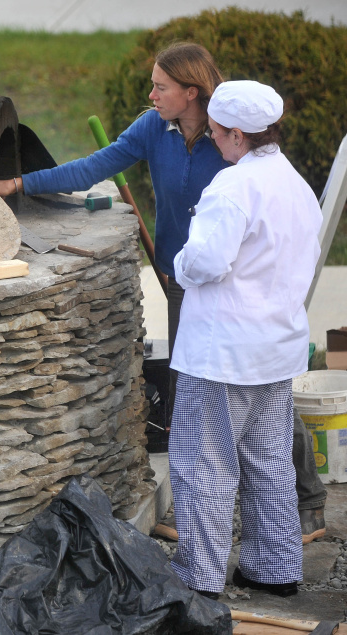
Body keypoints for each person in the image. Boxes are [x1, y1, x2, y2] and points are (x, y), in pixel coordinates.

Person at [0, 42, 327, 543]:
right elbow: (94, 166)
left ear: (192, 92)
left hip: (245, 292)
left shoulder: (233, 140)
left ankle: (307, 500)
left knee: (259, 394)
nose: (150, 94)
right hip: (183, 285)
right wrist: (19, 184)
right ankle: (196, 512)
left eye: (161, 86)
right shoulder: (155, 128)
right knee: (188, 394)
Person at [167, 80, 323, 599]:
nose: (211, 140)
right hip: (275, 352)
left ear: (238, 134)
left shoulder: (233, 187)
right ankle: (274, 569)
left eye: (214, 133)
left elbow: (207, 261)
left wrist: (179, 263)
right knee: (269, 464)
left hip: (221, 355)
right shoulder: (297, 186)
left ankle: (200, 581)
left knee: (203, 468)